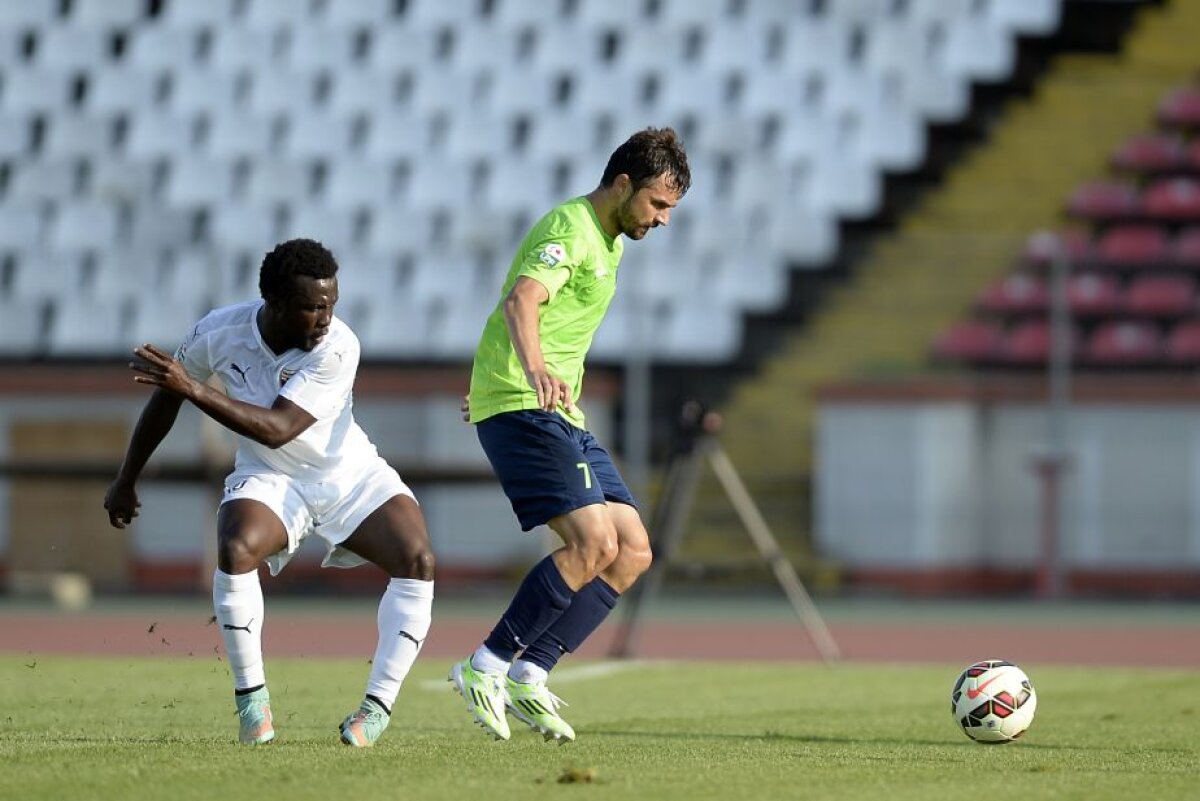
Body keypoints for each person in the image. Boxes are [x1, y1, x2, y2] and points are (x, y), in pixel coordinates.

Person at [104, 238, 435, 748]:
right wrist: (127, 478)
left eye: (331, 304)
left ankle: (375, 709)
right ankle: (252, 705)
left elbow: (278, 428)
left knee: (418, 559)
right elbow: (167, 400)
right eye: (312, 307)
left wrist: (192, 388)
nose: (326, 318)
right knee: (236, 548)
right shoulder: (218, 332)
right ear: (275, 302)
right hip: (271, 477)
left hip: (349, 474)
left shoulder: (338, 346)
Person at [449, 127, 690, 742]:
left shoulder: (611, 242)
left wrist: (496, 380)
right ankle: (486, 664)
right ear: (623, 184)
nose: (662, 220)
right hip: (529, 404)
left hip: (559, 412)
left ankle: (531, 672)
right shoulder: (571, 228)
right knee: (592, 542)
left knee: (631, 550)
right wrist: (527, 374)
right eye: (658, 204)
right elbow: (522, 301)